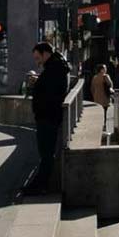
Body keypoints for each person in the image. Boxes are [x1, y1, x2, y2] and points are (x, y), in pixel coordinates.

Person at [27, 42, 69, 194]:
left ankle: (40, 185)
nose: (37, 62)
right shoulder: (55, 67)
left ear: (46, 53)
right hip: (48, 115)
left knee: (46, 153)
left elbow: (50, 93)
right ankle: (40, 184)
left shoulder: (54, 68)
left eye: (38, 58)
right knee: (46, 153)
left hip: (47, 116)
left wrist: (37, 85)